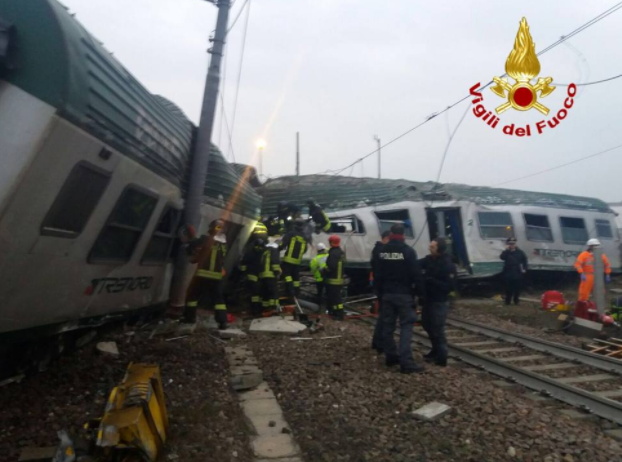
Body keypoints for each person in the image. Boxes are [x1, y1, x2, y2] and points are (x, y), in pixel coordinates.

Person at [375, 224, 425, 374]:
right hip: (404, 294)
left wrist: (379, 293)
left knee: (387, 327)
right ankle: (406, 362)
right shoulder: (408, 252)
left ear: (391, 234)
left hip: (387, 294)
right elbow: (416, 274)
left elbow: (377, 274)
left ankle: (391, 356)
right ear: (403, 234)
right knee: (406, 326)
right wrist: (420, 294)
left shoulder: (382, 251)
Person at [183, 219, 228, 329]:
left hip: (203, 274)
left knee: (192, 296)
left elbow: (193, 249)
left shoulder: (205, 239)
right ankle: (223, 322)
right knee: (219, 300)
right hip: (216, 276)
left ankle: (189, 318)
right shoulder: (223, 243)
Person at [420, 238, 456, 367]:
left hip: (439, 300)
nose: (430, 248)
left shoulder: (447, 264)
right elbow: (416, 264)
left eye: (433, 247)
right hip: (428, 299)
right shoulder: (429, 260)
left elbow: (450, 286)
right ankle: (435, 350)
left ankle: (442, 356)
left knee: (437, 328)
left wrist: (431, 281)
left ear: (440, 249)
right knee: (426, 324)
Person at [370, 230, 391, 354]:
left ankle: (377, 341)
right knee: (385, 316)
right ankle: (379, 342)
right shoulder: (381, 251)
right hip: (383, 287)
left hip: (380, 286)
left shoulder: (377, 250)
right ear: (386, 238)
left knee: (383, 315)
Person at [279, 218, 308, 298]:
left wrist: (276, 249)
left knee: (286, 275)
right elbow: (305, 249)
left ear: (295, 225)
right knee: (295, 278)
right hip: (297, 262)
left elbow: (282, 244)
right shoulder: (304, 237)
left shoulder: (290, 234)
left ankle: (290, 291)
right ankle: (296, 292)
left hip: (288, 260)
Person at [239, 238, 265, 317]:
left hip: (251, 275)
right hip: (260, 276)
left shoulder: (250, 252)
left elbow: (243, 263)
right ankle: (258, 310)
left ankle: (254, 311)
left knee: (253, 294)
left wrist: (243, 273)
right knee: (258, 295)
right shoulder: (264, 253)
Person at [500, 237, 528, 305]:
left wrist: (524, 269)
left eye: (513, 244)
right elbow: (502, 257)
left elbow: (525, 261)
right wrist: (506, 250)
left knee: (517, 288)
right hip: (508, 272)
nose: (511, 245)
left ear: (515, 244)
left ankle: (516, 301)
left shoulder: (520, 252)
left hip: (517, 272)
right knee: (508, 288)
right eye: (510, 244)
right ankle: (508, 301)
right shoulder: (506, 252)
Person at [323, 235, 346, 320]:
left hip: (333, 280)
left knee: (335, 298)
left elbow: (331, 267)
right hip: (339, 279)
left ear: (332, 242)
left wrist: (324, 270)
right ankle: (336, 313)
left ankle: (339, 315)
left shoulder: (333, 253)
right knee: (336, 297)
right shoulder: (341, 252)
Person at [259, 241, 282, 312]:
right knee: (273, 291)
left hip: (263, 275)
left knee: (266, 292)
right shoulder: (274, 250)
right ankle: (274, 307)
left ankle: (265, 308)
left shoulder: (265, 252)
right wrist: (277, 273)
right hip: (270, 274)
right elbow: (274, 262)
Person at [309, 243, 329, 308]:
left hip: (319, 279)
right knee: (328, 292)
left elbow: (313, 269)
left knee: (319, 293)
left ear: (318, 251)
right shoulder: (329, 256)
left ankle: (319, 306)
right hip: (328, 278)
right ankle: (328, 305)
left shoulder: (315, 259)